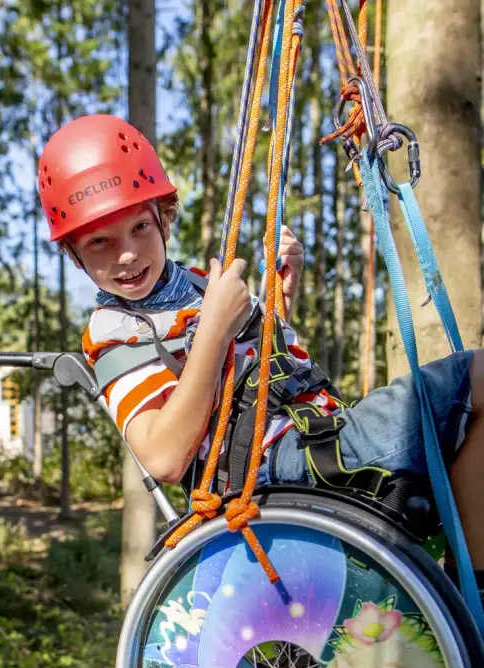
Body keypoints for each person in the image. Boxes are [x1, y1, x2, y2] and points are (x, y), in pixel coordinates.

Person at [37, 113, 484, 595]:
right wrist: (213, 327)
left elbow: (254, 379)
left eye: (139, 227)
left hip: (313, 438)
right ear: (74, 254)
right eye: (99, 241)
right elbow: (164, 457)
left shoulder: (197, 285)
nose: (125, 253)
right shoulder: (114, 334)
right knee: (476, 375)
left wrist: (276, 305)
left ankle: (466, 592)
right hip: (278, 469)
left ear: (164, 218)